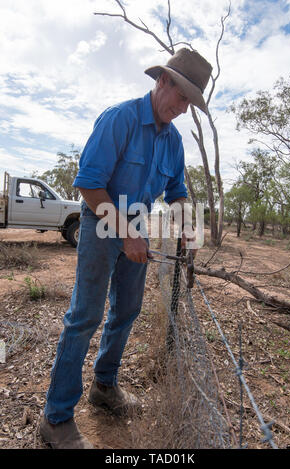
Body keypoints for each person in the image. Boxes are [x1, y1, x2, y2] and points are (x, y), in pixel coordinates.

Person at [39, 48, 212, 449]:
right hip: (100, 224)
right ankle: (56, 417)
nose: (183, 109)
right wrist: (126, 233)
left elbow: (177, 192)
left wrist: (189, 227)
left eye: (190, 102)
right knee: (84, 316)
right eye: (181, 97)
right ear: (162, 81)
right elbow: (88, 184)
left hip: (137, 226)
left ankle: (105, 386)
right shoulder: (120, 119)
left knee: (128, 309)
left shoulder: (173, 142)